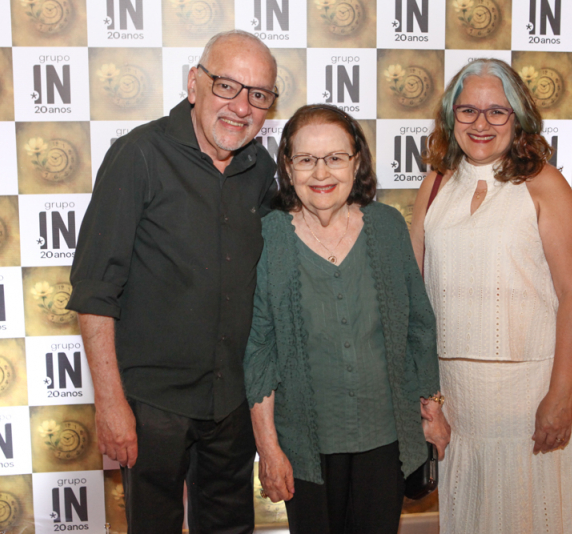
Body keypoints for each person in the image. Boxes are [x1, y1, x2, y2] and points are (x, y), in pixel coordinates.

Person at [66, 30, 279, 534]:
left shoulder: (261, 167)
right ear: (194, 85)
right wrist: (111, 403)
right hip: (152, 404)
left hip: (231, 401)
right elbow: (95, 291)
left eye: (259, 95)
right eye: (227, 86)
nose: (241, 107)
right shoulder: (138, 155)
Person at [244, 104, 451, 534]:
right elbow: (259, 348)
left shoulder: (387, 226)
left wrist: (432, 409)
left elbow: (418, 324)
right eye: (306, 160)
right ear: (288, 165)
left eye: (335, 158)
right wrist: (268, 445)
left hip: (386, 437)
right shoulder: (270, 237)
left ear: (356, 162)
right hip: (305, 443)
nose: (321, 173)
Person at [410, 59, 572, 533]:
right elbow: (415, 301)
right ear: (450, 117)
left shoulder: (545, 185)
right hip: (457, 399)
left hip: (528, 400)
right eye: (468, 110)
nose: (481, 124)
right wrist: (427, 398)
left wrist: (560, 394)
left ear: (519, 118)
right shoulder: (433, 188)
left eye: (497, 112)